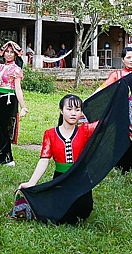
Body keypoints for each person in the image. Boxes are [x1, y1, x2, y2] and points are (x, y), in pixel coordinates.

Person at [18, 94, 98, 224]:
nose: (73, 113)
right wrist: (32, 182)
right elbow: (44, 159)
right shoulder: (50, 134)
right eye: (69, 109)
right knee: (60, 215)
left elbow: (106, 121)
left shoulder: (85, 130)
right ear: (61, 110)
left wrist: (118, 96)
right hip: (60, 178)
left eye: (77, 110)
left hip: (81, 179)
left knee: (83, 209)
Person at [98, 46, 132, 174]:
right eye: (128, 57)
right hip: (121, 110)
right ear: (123, 59)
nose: (131, 60)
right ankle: (121, 166)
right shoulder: (116, 75)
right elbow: (103, 89)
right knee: (121, 136)